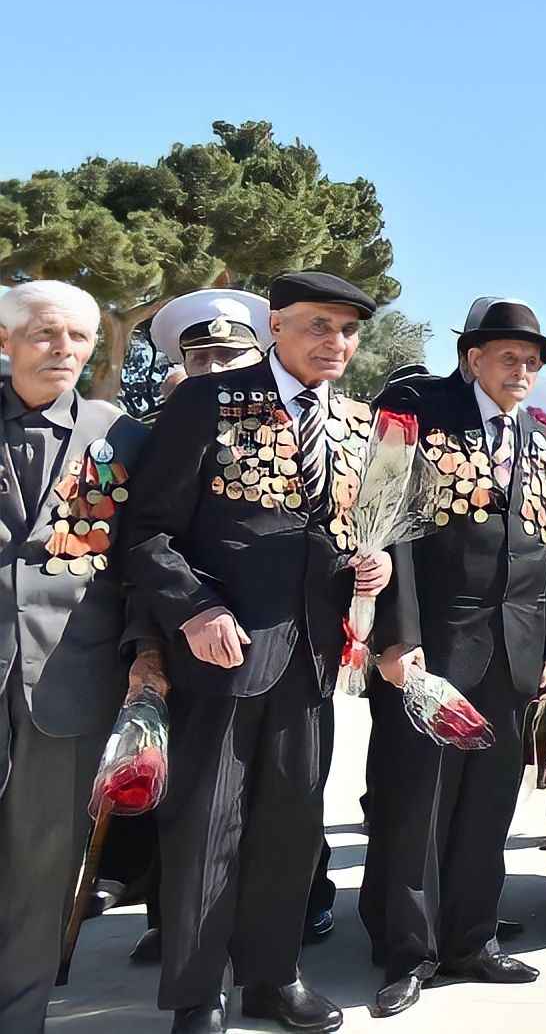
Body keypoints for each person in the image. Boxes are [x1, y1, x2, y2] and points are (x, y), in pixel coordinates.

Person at [122, 271, 386, 1034]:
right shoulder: (208, 400)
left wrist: (378, 564)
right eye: (317, 325)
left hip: (312, 661)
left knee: (293, 824)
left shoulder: (357, 421)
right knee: (207, 825)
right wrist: (195, 608)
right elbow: (146, 531)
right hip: (221, 653)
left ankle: (272, 978)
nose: (335, 341)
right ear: (275, 326)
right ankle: (197, 995)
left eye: (347, 329)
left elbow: (364, 527)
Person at [359, 300, 546, 1018]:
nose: (524, 371)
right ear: (472, 357)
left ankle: (472, 939)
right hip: (433, 645)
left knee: (488, 804)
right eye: (510, 357)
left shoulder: (541, 438)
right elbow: (383, 526)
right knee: (418, 802)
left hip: (515, 648)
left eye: (533, 362)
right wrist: (396, 634)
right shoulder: (416, 411)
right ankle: (408, 953)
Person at [0, 281, 160, 1032]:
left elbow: (141, 560)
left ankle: (19, 1015)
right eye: (44, 333)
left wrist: (145, 655)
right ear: (6, 340)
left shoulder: (122, 435)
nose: (63, 349)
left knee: (41, 868)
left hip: (63, 681)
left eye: (80, 337)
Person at [102, 289, 276, 967]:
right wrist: (147, 648)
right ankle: (173, 922)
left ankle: (284, 912)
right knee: (184, 797)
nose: (215, 370)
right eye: (200, 358)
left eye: (230, 355)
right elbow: (139, 548)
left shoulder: (281, 432)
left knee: (272, 797)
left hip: (273, 644)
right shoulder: (150, 435)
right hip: (178, 639)